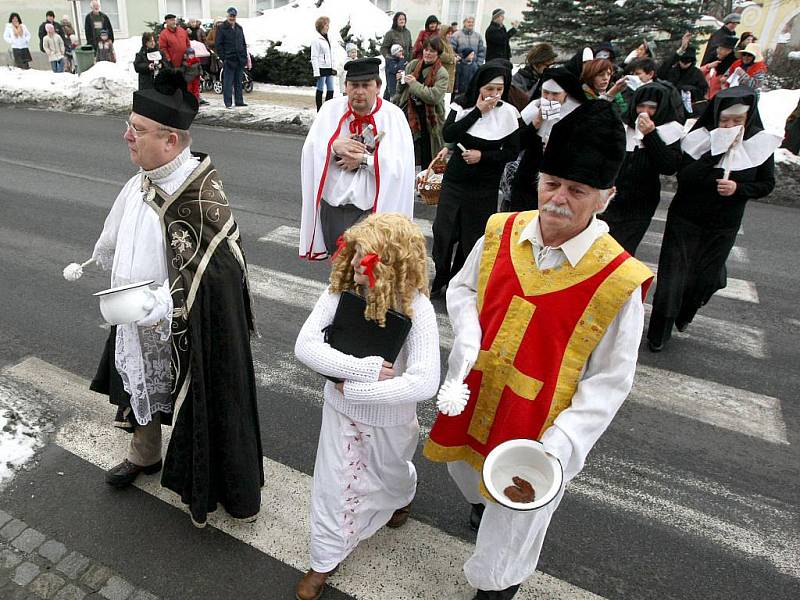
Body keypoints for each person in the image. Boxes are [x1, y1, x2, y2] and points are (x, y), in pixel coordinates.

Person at [424, 99, 653, 600]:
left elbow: (612, 378)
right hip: (480, 389)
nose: (558, 200)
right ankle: (482, 503)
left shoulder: (618, 279)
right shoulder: (501, 230)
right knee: (464, 469)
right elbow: (462, 289)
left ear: (605, 197)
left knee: (514, 525)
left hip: (542, 424)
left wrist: (562, 445)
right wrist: (467, 334)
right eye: (551, 183)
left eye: (577, 190)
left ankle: (497, 586)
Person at [88, 70, 264, 527]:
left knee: (197, 394)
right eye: (129, 125)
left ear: (171, 140)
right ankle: (144, 453)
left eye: (138, 130)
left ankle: (204, 483)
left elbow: (221, 276)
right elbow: (117, 233)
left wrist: (165, 305)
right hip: (137, 314)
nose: (127, 136)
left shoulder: (200, 195)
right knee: (140, 380)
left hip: (180, 322)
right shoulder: (140, 179)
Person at [293, 213, 440, 600]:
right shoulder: (341, 291)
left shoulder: (416, 308)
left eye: (367, 257)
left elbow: (425, 382)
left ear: (391, 261)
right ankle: (323, 560)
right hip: (340, 416)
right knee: (331, 487)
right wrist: (365, 370)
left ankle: (403, 493)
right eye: (355, 252)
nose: (356, 262)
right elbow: (306, 346)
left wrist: (357, 392)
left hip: (390, 422)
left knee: (388, 476)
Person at [647, 87, 781, 352]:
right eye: (724, 121)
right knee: (672, 278)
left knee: (705, 280)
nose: (730, 126)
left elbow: (766, 184)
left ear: (748, 119)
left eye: (737, 122)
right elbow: (684, 177)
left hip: (723, 224)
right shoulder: (700, 139)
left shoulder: (759, 143)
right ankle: (658, 333)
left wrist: (739, 189)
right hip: (686, 219)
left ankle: (686, 311)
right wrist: (714, 154)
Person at [300, 58, 415, 260]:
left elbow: (400, 165)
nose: (359, 91)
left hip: (371, 212)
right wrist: (333, 145)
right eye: (354, 85)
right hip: (334, 208)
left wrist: (364, 161)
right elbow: (310, 149)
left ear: (378, 87)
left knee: (368, 271)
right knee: (340, 270)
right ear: (345, 86)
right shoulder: (330, 110)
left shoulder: (393, 116)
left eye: (366, 85)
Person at [430, 61, 521, 297]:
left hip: (484, 186)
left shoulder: (509, 113)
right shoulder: (462, 104)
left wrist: (484, 156)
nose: (494, 95)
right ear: (480, 85)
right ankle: (439, 274)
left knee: (472, 236)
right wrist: (478, 112)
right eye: (489, 88)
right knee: (444, 231)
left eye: (499, 89)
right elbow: (449, 133)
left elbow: (511, 151)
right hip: (456, 180)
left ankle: (457, 280)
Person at [600, 81, 684, 254]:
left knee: (621, 253)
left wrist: (650, 136)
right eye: (641, 106)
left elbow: (669, 166)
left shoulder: (671, 130)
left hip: (639, 205)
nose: (645, 112)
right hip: (609, 201)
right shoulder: (622, 126)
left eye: (652, 107)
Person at [508, 66, 586, 212]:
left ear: (566, 94)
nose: (549, 98)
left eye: (555, 94)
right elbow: (516, 144)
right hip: (528, 175)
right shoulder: (535, 107)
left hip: (558, 179)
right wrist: (535, 123)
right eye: (546, 93)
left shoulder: (578, 114)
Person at [393, 37, 449, 170]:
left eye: (432, 51)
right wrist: (400, 80)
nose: (428, 53)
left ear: (438, 53)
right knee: (408, 151)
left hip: (430, 118)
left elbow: (433, 97)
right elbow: (400, 90)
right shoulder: (413, 65)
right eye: (426, 50)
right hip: (411, 114)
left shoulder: (442, 73)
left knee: (428, 153)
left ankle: (427, 182)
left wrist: (414, 84)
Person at [657, 46, 708, 115]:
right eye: (682, 61)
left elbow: (703, 90)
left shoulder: (697, 73)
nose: (684, 64)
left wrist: (690, 89)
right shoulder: (671, 70)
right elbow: (661, 73)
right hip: (669, 105)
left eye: (688, 61)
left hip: (688, 108)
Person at [215, 7, 248, 109]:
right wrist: (223, 57)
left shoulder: (239, 28)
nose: (232, 18)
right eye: (230, 16)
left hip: (239, 59)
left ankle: (239, 101)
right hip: (229, 59)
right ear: (227, 16)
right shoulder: (221, 28)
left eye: (233, 16)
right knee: (228, 82)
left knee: (238, 81)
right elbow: (218, 45)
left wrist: (244, 56)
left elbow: (243, 43)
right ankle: (228, 103)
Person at [509, 43, 557, 110]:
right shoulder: (518, 79)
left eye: (552, 65)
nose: (549, 69)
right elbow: (524, 102)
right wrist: (540, 82)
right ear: (536, 64)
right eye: (547, 66)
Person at [700, 34, 737, 99]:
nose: (717, 50)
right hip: (705, 97)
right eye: (718, 48)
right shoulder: (715, 60)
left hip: (717, 100)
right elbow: (698, 73)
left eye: (720, 49)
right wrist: (708, 66)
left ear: (729, 51)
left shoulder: (732, 66)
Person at [311, 16, 336, 111]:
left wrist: (333, 67)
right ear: (321, 26)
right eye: (326, 25)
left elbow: (331, 54)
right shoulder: (316, 40)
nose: (328, 27)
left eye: (328, 25)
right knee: (320, 90)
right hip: (321, 69)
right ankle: (319, 110)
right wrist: (316, 72)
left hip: (329, 68)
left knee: (331, 90)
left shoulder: (329, 38)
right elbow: (314, 57)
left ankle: (326, 110)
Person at [441, 26, 458, 94]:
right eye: (448, 34)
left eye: (451, 34)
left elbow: (451, 53)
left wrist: (455, 55)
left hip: (450, 72)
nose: (450, 36)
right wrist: (453, 58)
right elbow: (441, 55)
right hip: (444, 71)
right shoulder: (440, 43)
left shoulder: (448, 43)